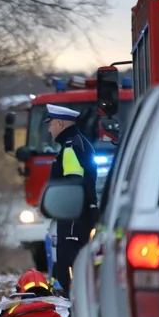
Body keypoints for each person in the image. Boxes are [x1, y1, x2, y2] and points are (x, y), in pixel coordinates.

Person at [45, 103, 99, 298]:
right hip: (79, 215)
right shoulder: (78, 143)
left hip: (74, 217)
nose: (49, 129)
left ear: (60, 123)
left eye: (50, 124)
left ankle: (74, 309)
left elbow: (73, 187)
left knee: (71, 261)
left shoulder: (70, 147)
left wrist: (60, 210)